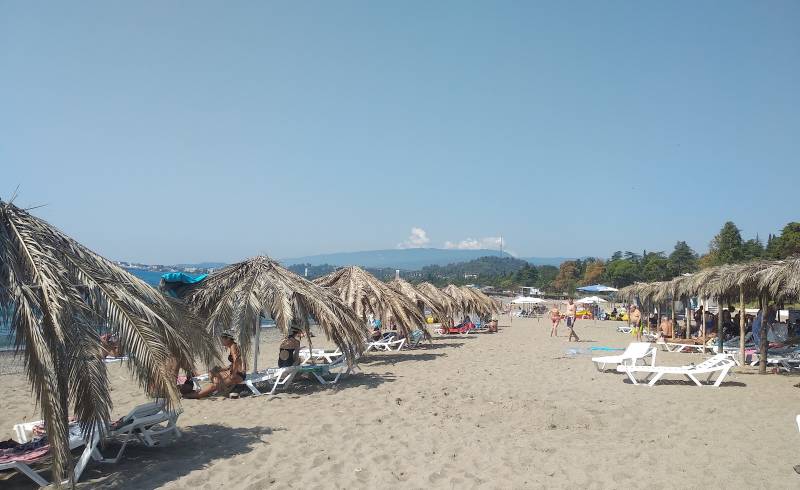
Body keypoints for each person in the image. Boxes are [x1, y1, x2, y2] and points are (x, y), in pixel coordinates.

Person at [184, 332, 246, 399]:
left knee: (215, 384)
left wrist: (233, 374)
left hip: (238, 374)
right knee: (212, 373)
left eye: (222, 339)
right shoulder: (234, 345)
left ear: (228, 339)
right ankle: (215, 389)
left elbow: (236, 359)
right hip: (237, 372)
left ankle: (198, 395)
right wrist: (225, 368)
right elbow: (238, 361)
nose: (221, 341)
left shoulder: (233, 346)